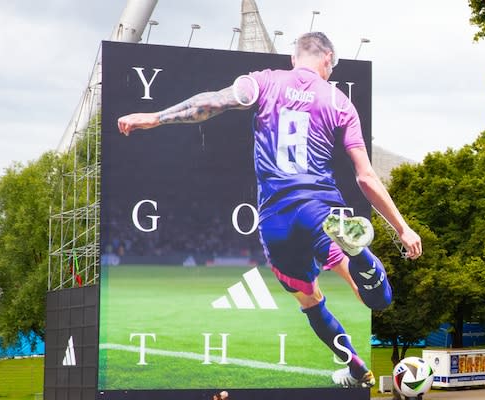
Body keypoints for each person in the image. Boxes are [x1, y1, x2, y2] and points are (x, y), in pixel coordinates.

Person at [117, 31, 422, 388]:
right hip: (321, 212)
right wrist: (403, 228)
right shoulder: (339, 102)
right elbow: (366, 178)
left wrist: (156, 116)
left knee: (310, 302)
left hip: (275, 221)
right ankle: (358, 254)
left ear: (294, 58)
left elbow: (213, 102)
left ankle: (355, 367)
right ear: (327, 60)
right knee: (375, 298)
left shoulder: (263, 82)